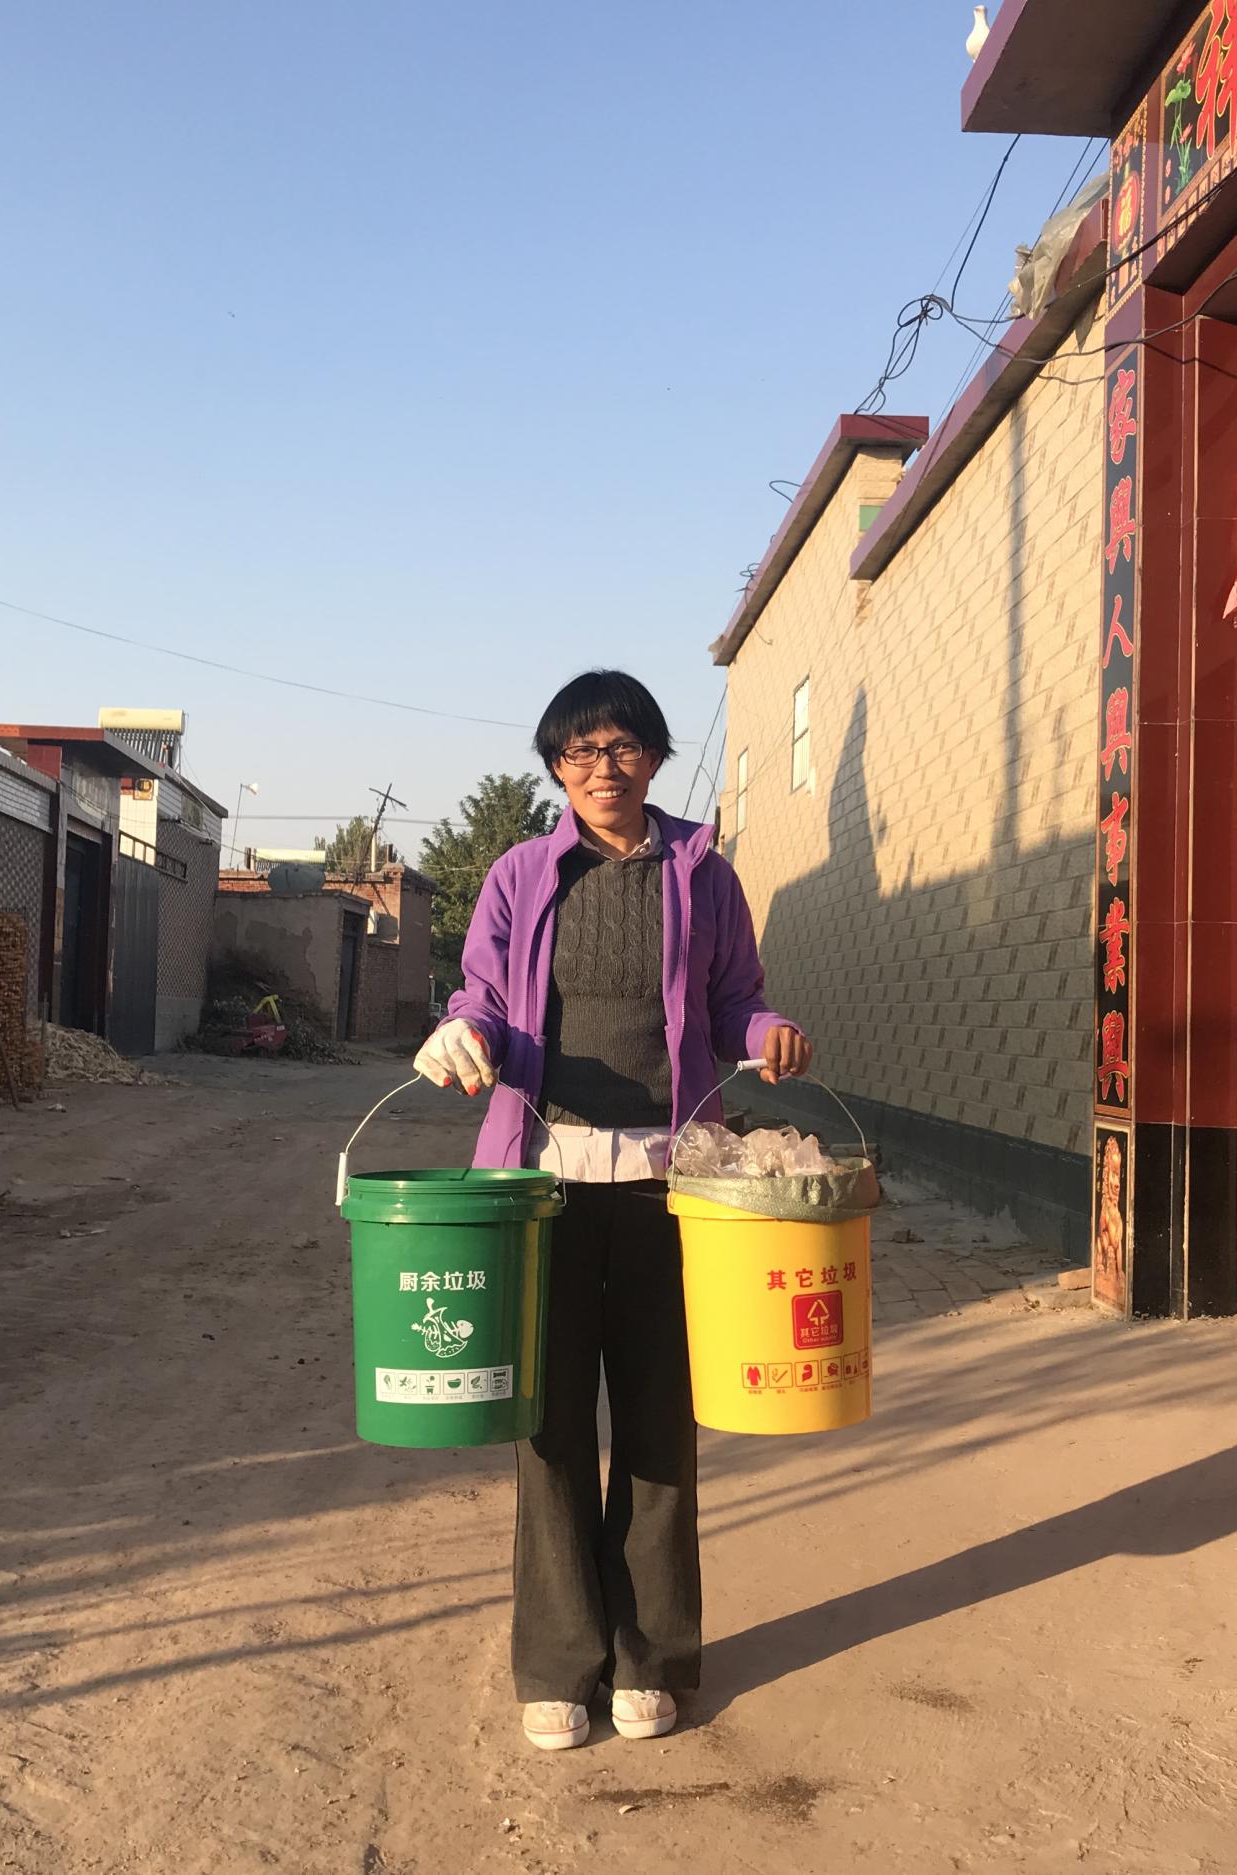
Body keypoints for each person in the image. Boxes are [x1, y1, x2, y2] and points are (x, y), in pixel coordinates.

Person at [414, 669, 810, 1752]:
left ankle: (652, 1658)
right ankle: (556, 1663)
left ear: (653, 757)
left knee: (654, 1421)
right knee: (545, 1426)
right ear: (554, 767)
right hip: (540, 1184)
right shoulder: (517, 875)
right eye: (581, 752)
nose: (604, 769)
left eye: (624, 747)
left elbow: (736, 997)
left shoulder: (702, 874)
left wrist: (765, 1029)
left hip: (669, 1184)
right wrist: (461, 1035)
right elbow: (482, 996)